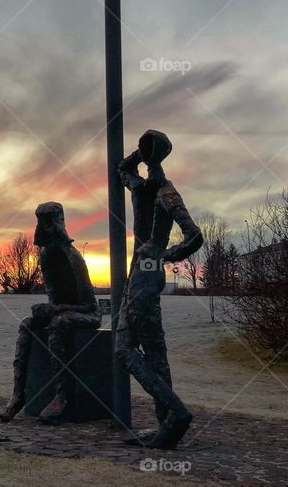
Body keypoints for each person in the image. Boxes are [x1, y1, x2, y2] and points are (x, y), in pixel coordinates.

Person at [115, 130, 203, 449]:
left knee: (128, 348)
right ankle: (167, 424)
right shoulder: (142, 187)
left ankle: (175, 415)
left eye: (150, 151)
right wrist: (144, 152)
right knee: (149, 350)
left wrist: (163, 254)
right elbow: (123, 169)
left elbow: (194, 235)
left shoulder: (166, 192)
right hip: (137, 273)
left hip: (148, 272)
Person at [0, 202, 100, 423]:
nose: (45, 228)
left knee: (59, 322)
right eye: (41, 222)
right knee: (27, 323)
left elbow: (89, 306)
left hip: (88, 314)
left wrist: (54, 310)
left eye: (49, 222)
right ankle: (18, 395)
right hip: (62, 312)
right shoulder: (45, 257)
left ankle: (62, 396)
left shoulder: (73, 257)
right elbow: (54, 298)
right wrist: (46, 310)